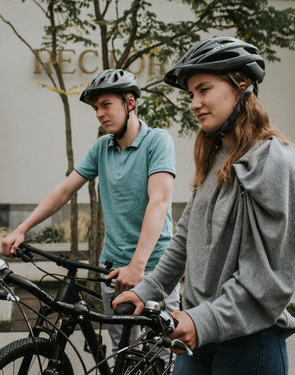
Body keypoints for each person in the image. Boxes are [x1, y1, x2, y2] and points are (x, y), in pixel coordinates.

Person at [113, 36, 295, 374]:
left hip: (248, 342)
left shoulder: (270, 160)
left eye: (204, 89)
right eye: (191, 94)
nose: (194, 103)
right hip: (198, 335)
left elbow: (271, 279)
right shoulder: (216, 156)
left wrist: (203, 320)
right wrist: (149, 288)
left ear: (242, 86)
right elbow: (185, 237)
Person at [1, 68, 179, 354]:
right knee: (124, 354)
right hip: (112, 270)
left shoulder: (158, 141)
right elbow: (64, 191)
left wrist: (138, 265)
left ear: (130, 102)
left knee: (163, 351)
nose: (99, 113)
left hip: (155, 268)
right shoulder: (102, 148)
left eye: (106, 104)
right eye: (96, 108)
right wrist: (22, 228)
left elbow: (158, 201)